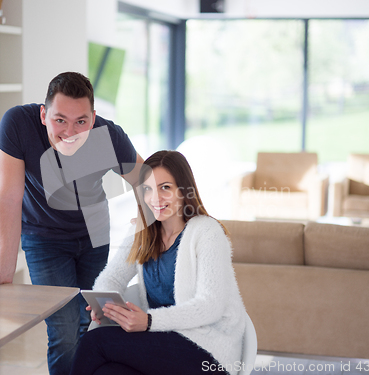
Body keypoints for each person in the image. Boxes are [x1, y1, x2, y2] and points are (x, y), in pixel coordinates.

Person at [0, 72, 143, 375]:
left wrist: (146, 224)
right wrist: (5, 269)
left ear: (93, 118)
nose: (70, 132)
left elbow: (146, 178)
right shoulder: (18, 125)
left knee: (88, 321)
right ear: (44, 114)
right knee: (63, 329)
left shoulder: (108, 136)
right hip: (44, 238)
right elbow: (8, 196)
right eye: (60, 120)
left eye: (81, 122)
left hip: (94, 236)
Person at [70, 150, 247, 375]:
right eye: (148, 189)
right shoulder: (141, 230)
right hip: (163, 344)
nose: (155, 198)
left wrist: (149, 321)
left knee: (95, 342)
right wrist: (104, 304)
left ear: (183, 191)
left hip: (209, 352)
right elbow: (112, 276)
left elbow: (209, 306)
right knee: (109, 371)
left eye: (165, 187)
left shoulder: (207, 232)